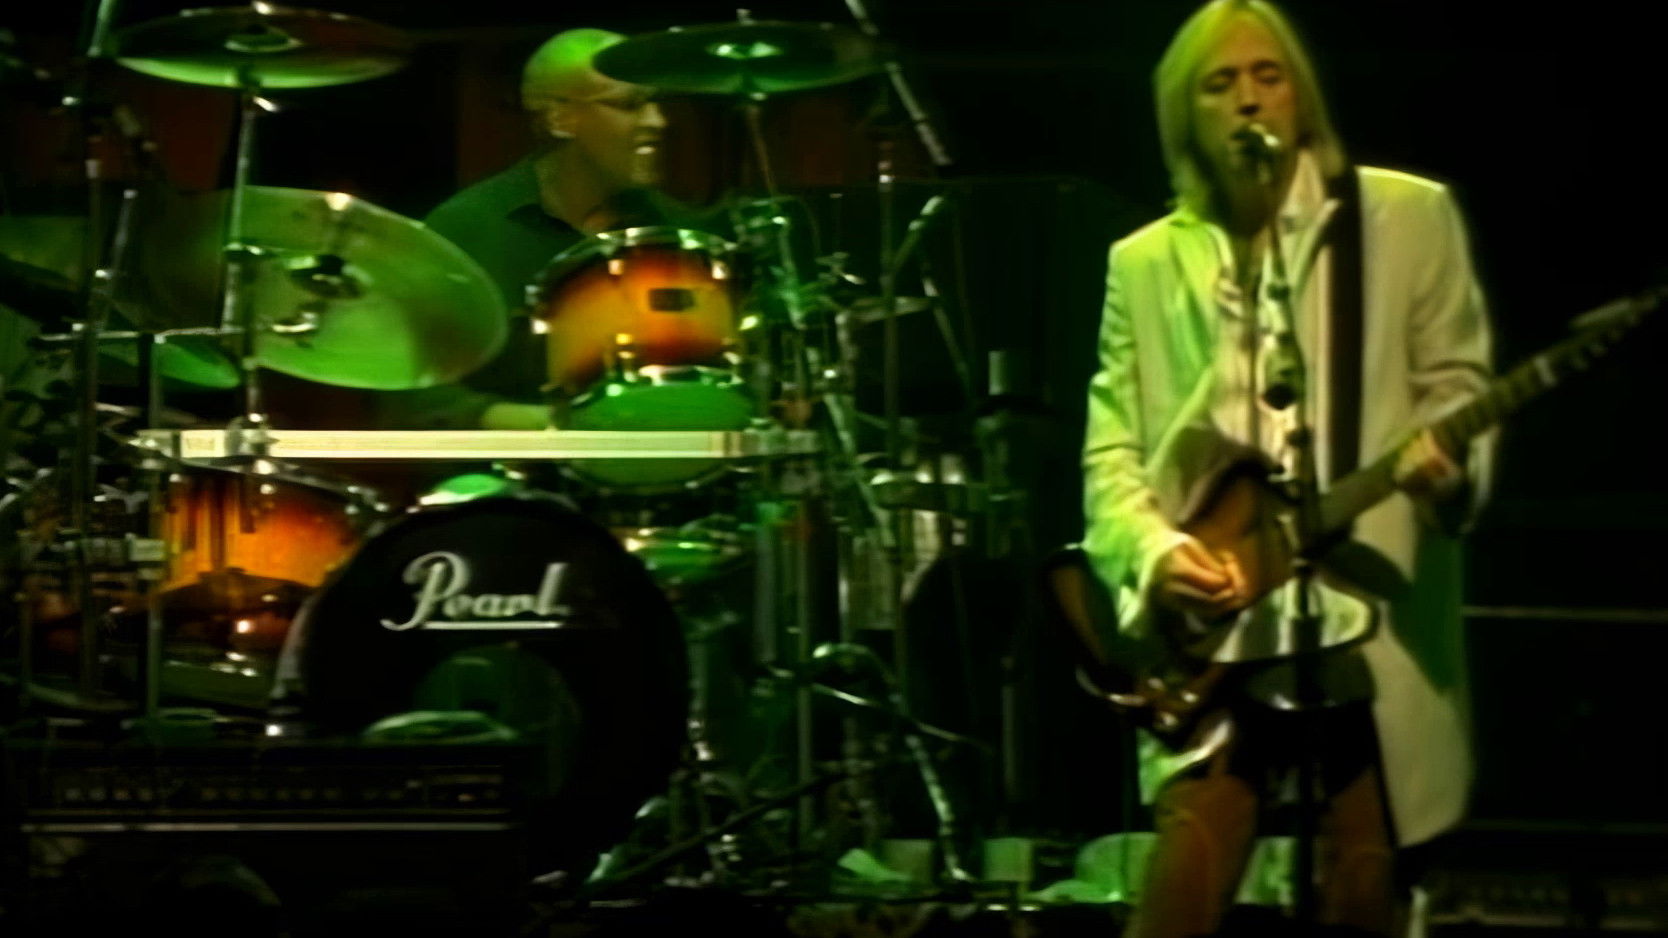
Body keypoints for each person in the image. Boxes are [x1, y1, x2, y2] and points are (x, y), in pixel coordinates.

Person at [1080, 2, 1494, 935]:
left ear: (1300, 96)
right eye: (1219, 84)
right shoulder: (1143, 264)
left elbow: (1456, 387)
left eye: (1267, 76)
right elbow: (1111, 454)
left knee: (1362, 884)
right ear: (1184, 114)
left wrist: (1448, 469)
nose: (1247, 100)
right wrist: (1154, 553)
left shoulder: (1403, 218)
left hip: (1368, 615)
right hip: (1220, 627)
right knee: (1183, 884)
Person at [379, 27, 673, 430]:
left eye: (657, 103)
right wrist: (539, 427)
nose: (658, 121)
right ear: (560, 118)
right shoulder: (469, 227)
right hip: (515, 464)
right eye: (630, 105)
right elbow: (411, 390)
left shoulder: (677, 230)